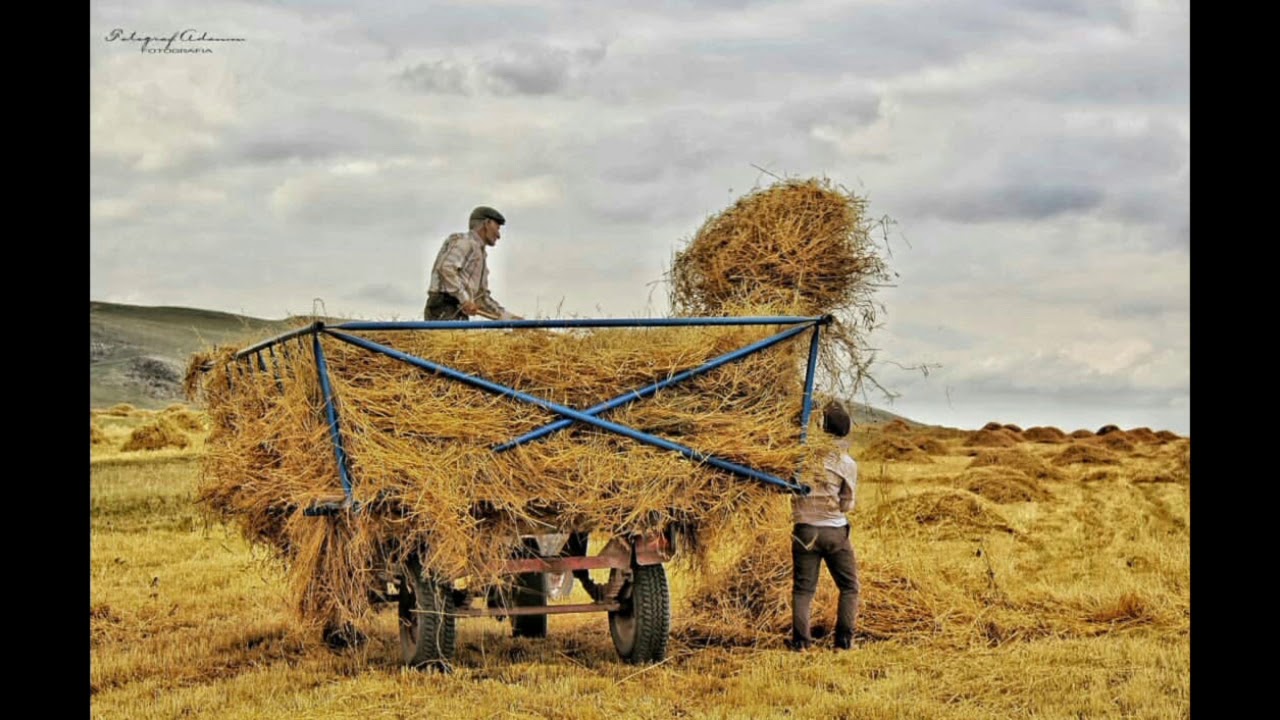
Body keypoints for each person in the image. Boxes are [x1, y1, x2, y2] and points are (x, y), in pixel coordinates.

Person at [789, 400, 861, 651]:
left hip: (804, 530)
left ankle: (800, 643)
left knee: (803, 590)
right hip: (835, 531)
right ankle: (843, 642)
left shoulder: (800, 457)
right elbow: (847, 505)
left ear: (821, 426)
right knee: (849, 587)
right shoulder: (847, 464)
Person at [425, 206, 522, 321]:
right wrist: (464, 300)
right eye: (497, 228)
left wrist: (508, 318)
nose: (499, 235)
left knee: (460, 337)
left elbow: (481, 298)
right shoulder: (465, 242)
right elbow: (446, 268)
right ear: (487, 223)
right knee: (452, 337)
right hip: (444, 306)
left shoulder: (480, 255)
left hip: (457, 310)